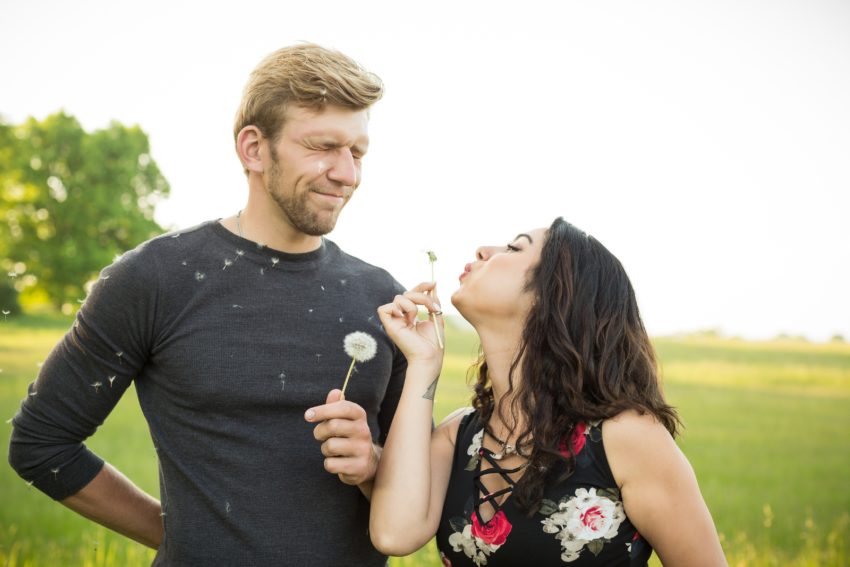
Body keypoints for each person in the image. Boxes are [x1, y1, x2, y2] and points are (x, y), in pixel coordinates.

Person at [8, 43, 407, 566]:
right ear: (253, 149)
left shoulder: (384, 299)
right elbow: (41, 444)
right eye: (323, 147)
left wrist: (374, 465)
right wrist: (180, 541)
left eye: (357, 153)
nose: (347, 174)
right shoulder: (153, 278)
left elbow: (415, 499)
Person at [370, 217, 728, 566]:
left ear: (551, 294)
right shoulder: (459, 435)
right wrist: (423, 362)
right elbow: (393, 534)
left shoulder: (626, 438)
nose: (482, 251)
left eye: (513, 248)